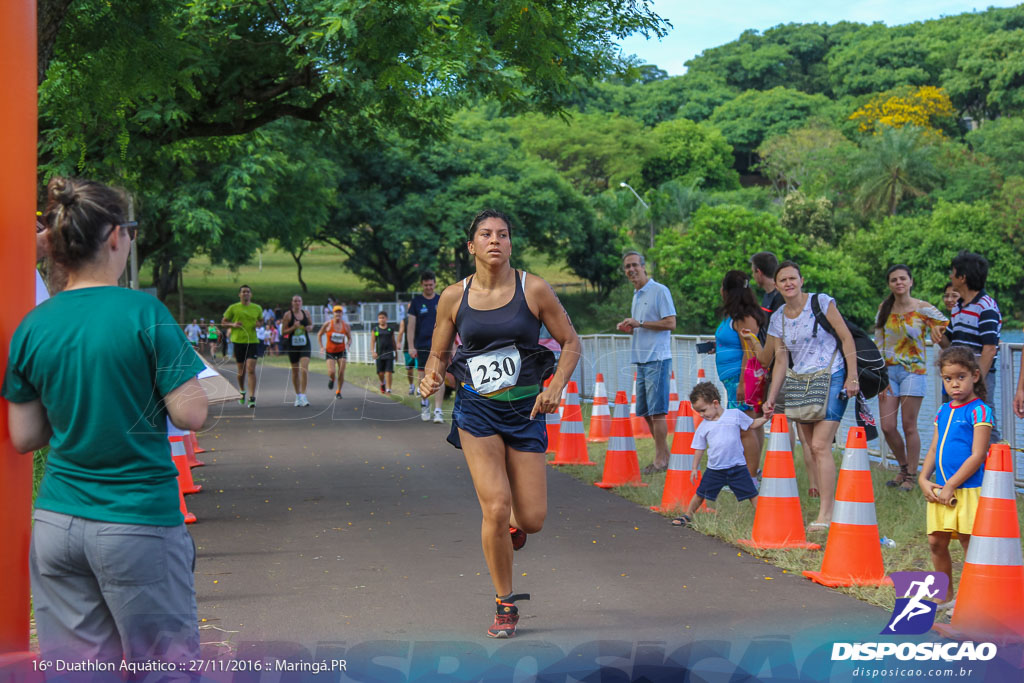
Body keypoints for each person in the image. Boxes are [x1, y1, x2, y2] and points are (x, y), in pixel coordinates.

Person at [3, 177, 208, 673]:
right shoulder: (144, 312)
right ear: (116, 236)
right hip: (137, 519)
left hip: (57, 523)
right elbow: (190, 413)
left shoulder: (33, 324)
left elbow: (25, 436)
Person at [420, 209, 580, 638]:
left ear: (511, 244)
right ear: (471, 246)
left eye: (503, 234)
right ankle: (504, 602)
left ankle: (513, 528)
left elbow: (570, 342)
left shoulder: (534, 289)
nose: (496, 240)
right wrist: (431, 375)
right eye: (486, 235)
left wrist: (556, 386)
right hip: (477, 410)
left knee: (531, 519)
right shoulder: (454, 296)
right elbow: (439, 352)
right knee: (494, 506)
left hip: (526, 411)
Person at [745, 260, 859, 533]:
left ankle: (826, 513)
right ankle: (825, 501)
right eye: (783, 280)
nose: (788, 283)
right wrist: (772, 398)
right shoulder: (779, 317)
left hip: (832, 375)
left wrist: (852, 376)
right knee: (809, 445)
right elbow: (781, 361)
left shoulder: (821, 302)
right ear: (777, 284)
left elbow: (846, 338)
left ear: (801, 279)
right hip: (800, 381)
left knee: (820, 445)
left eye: (792, 278)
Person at [918, 347, 992, 610]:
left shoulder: (980, 410)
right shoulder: (943, 410)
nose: (954, 384)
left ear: (974, 376)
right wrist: (923, 478)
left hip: (967, 490)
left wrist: (951, 485)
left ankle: (973, 597)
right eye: (948, 379)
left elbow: (978, 455)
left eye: (960, 377)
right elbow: (934, 446)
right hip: (940, 489)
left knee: (967, 541)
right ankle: (944, 595)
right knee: (936, 541)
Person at [874, 265, 948, 491]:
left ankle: (910, 476)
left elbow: (945, 329)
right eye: (894, 280)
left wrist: (938, 335)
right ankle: (904, 467)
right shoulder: (884, 308)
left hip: (913, 372)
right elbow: (878, 340)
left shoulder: (922, 308)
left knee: (909, 426)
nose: (899, 283)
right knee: (887, 426)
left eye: (902, 279)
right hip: (888, 372)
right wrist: (876, 375)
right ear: (889, 284)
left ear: (910, 281)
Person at [672, 382, 766, 526]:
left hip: (738, 467)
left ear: (715, 403)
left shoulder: (734, 415)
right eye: (699, 412)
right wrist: (694, 468)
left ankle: (764, 518)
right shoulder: (703, 426)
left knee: (752, 494)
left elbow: (752, 424)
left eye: (703, 410)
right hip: (715, 469)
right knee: (700, 493)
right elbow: (699, 448)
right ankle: (687, 515)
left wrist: (766, 418)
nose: (702, 415)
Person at [616, 251, 676, 474]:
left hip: (657, 359)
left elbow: (671, 323)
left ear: (643, 267)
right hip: (641, 359)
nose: (631, 270)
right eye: (627, 267)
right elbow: (643, 325)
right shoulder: (637, 294)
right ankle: (664, 455)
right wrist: (631, 327)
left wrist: (640, 323)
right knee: (646, 412)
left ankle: (661, 459)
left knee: (657, 411)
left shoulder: (659, 290)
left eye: (634, 265)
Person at [933, 251, 1002, 442]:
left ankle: (996, 468)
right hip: (959, 373)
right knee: (956, 419)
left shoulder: (986, 307)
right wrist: (938, 336)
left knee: (984, 421)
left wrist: (976, 379)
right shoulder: (958, 307)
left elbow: (989, 348)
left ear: (962, 278)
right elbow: (951, 344)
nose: (950, 276)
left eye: (953, 272)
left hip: (980, 374)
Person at [713, 270, 768, 478]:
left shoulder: (744, 318)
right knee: (750, 425)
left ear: (727, 291)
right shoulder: (733, 317)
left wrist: (744, 384)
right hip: (732, 379)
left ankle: (750, 477)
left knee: (744, 428)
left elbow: (750, 352)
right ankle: (752, 472)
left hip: (742, 379)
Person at [409, 271, 445, 423]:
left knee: (438, 376)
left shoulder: (441, 300)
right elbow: (411, 326)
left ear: (435, 284)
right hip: (422, 344)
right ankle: (425, 403)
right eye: (426, 285)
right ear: (422, 285)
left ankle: (438, 410)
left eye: (431, 285)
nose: (429, 287)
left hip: (439, 344)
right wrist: (411, 346)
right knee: (423, 376)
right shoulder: (416, 302)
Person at [222, 285, 262, 407]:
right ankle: (242, 390)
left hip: (252, 341)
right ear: (239, 295)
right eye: (243, 292)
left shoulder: (257, 308)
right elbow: (223, 323)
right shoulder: (233, 308)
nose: (246, 294)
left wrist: (258, 324)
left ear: (251, 295)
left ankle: (252, 397)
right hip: (238, 341)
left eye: (248, 292)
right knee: (241, 371)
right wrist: (233, 325)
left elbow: (261, 321)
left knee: (251, 369)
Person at [281, 294, 314, 407]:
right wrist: (293, 328)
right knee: (295, 371)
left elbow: (310, 325)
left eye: (299, 301)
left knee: (304, 368)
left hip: (305, 344)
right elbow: (283, 332)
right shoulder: (288, 315)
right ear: (292, 303)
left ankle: (304, 396)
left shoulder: (306, 313)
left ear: (302, 302)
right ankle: (298, 396)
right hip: (293, 345)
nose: (297, 303)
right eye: (295, 301)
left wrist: (310, 327)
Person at [318, 305, 351, 399]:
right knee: (332, 371)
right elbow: (319, 334)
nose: (338, 314)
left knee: (341, 371)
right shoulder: (328, 324)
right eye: (336, 312)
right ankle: (332, 379)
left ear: (342, 313)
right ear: (333, 313)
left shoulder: (346, 325)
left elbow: (350, 338)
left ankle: (338, 392)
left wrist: (348, 344)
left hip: (341, 350)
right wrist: (321, 347)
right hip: (330, 351)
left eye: (340, 312)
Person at [750, 251, 784, 316]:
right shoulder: (767, 295)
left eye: (753, 272)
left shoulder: (781, 298)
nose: (753, 275)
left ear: (759, 272)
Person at [373, 311, 397, 394]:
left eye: (383, 318)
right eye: (380, 318)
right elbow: (372, 341)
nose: (381, 319)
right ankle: (382, 383)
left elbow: (394, 342)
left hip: (389, 353)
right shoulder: (376, 329)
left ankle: (388, 389)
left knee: (389, 372)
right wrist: (373, 352)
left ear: (386, 318)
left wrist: (396, 353)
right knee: (380, 373)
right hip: (379, 354)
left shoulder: (390, 329)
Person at [397, 310, 417, 395]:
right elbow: (401, 332)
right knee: (409, 369)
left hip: (420, 348)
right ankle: (411, 386)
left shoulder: (421, 318)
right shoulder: (404, 320)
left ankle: (420, 388)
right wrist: (398, 342)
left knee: (421, 369)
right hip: (407, 348)